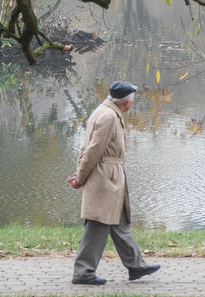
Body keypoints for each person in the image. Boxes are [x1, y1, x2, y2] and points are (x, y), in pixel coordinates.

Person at [68, 81, 161, 285]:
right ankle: (83, 273)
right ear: (126, 101)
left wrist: (79, 173)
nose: (133, 102)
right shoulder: (109, 116)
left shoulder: (105, 110)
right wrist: (80, 177)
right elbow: (92, 150)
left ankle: (136, 266)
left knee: (119, 222)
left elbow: (88, 148)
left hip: (109, 178)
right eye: (133, 98)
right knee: (98, 224)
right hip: (105, 178)